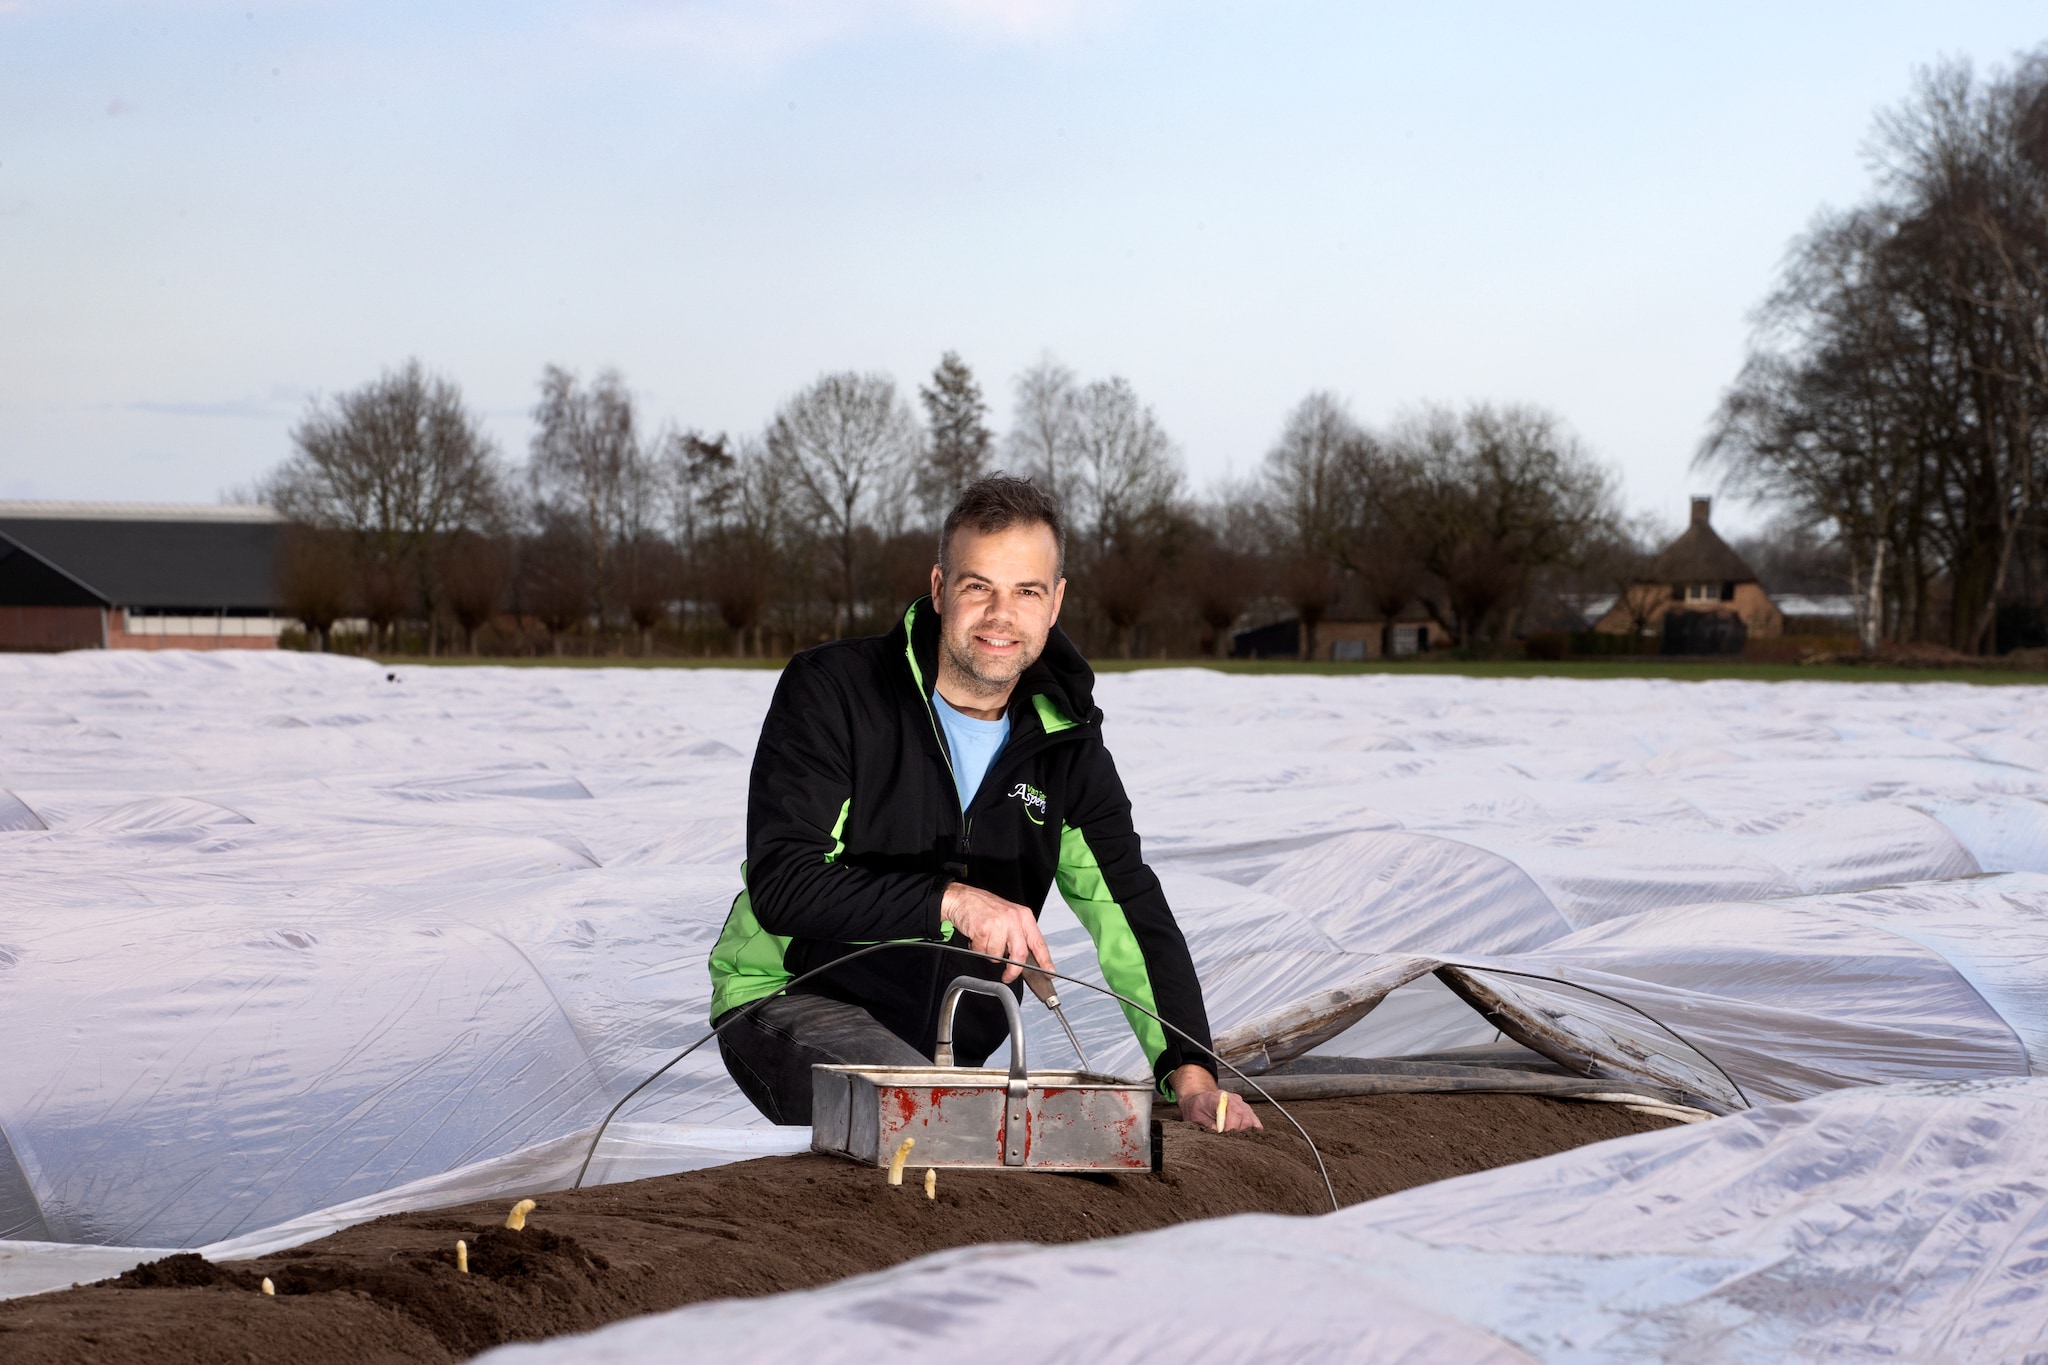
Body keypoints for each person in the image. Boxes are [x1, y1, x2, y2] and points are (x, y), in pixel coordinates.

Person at [707, 474, 1260, 1132]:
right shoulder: (836, 692)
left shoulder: (1065, 742)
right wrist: (952, 900)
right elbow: (785, 884)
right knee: (926, 1118)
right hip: (789, 999)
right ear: (940, 589)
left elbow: (1129, 909)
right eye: (979, 587)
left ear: (1054, 603)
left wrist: (1191, 1075)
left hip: (949, 1041)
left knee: (987, 1130)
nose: (1003, 616)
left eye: (1026, 591)